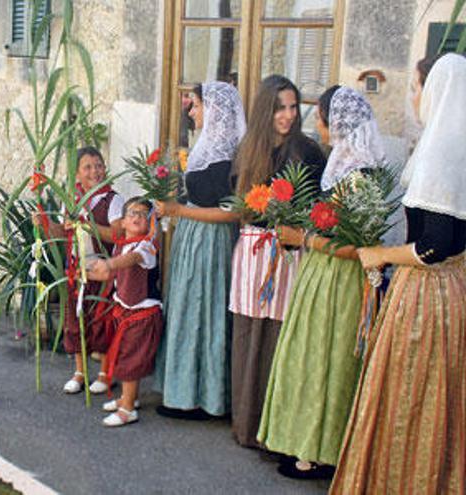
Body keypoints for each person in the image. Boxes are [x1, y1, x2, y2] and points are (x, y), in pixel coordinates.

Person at [330, 53, 466, 494]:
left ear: (437, 91)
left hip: (427, 295)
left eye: (416, 87)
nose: (413, 97)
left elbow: (433, 246)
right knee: (441, 401)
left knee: (412, 395)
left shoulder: (441, 153)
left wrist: (380, 253)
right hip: (455, 289)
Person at [257, 86, 386, 479]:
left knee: (326, 363)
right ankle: (303, 444)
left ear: (336, 122)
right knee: (309, 360)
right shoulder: (344, 167)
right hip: (322, 275)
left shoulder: (360, 177)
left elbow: (363, 248)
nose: (316, 124)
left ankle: (319, 451)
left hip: (341, 284)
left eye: (320, 117)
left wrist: (305, 239)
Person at [228, 75, 326, 449]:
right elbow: (237, 200)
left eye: (292, 107)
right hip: (253, 251)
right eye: (280, 108)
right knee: (248, 334)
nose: (287, 115)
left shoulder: (308, 152)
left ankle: (274, 429)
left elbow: (315, 206)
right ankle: (245, 423)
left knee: (278, 338)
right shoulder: (247, 149)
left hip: (288, 252)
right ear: (264, 110)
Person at [153, 81, 245, 419]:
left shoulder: (227, 160)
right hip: (193, 239)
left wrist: (179, 211)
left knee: (205, 313)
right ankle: (183, 392)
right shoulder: (207, 149)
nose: (191, 112)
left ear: (215, 110)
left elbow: (232, 212)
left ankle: (206, 398)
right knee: (188, 311)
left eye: (196, 105)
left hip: (211, 242)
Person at [38, 146, 124, 395]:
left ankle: (106, 373)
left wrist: (87, 226)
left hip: (102, 269)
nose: (95, 171)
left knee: (102, 323)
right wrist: (44, 221)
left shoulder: (112, 200)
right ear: (77, 174)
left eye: (98, 165)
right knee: (76, 322)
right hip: (78, 270)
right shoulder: (72, 201)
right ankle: (79, 371)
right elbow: (61, 234)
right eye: (88, 167)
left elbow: (118, 234)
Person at [86, 197, 162, 427]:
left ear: (151, 223)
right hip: (125, 311)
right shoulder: (122, 244)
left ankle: (128, 409)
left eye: (144, 214)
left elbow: (130, 261)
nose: (138, 217)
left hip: (143, 314)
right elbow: (110, 274)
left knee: (130, 360)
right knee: (124, 355)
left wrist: (109, 264)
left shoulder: (145, 247)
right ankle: (129, 398)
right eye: (132, 213)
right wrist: (83, 272)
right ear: (123, 222)